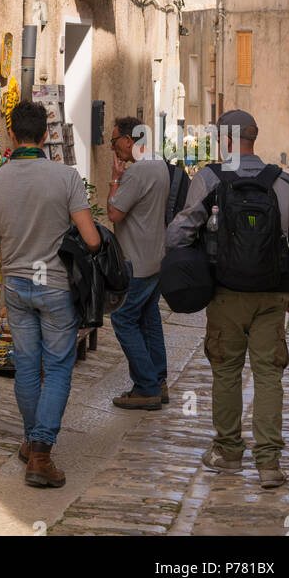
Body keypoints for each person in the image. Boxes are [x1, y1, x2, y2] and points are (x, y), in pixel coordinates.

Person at [166, 108, 289, 489]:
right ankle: (269, 463)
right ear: (253, 137)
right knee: (269, 375)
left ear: (225, 139)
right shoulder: (286, 184)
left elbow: (178, 235)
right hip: (272, 295)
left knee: (226, 371)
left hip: (225, 293)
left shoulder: (210, 179)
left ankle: (228, 452)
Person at [0, 100, 101, 489]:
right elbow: (91, 239)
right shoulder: (66, 179)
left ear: (12, 134)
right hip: (56, 285)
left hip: (16, 286)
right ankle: (41, 453)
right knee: (57, 367)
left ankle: (31, 441)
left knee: (27, 367)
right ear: (46, 135)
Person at [106, 116, 171, 411]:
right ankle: (158, 380)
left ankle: (146, 386)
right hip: (155, 257)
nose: (113, 148)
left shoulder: (135, 174)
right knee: (149, 318)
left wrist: (115, 178)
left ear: (129, 141)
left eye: (114, 141)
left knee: (123, 319)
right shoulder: (159, 165)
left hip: (135, 261)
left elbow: (113, 213)